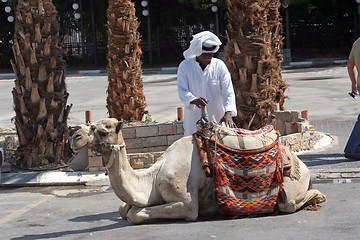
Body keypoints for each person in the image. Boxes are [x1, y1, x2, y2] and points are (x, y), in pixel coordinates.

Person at [177, 31, 237, 136]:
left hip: (217, 118)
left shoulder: (220, 66)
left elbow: (228, 92)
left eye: (210, 54)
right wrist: (193, 100)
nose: (207, 57)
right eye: (204, 54)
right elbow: (182, 90)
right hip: (194, 119)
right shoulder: (185, 66)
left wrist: (228, 113)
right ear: (197, 51)